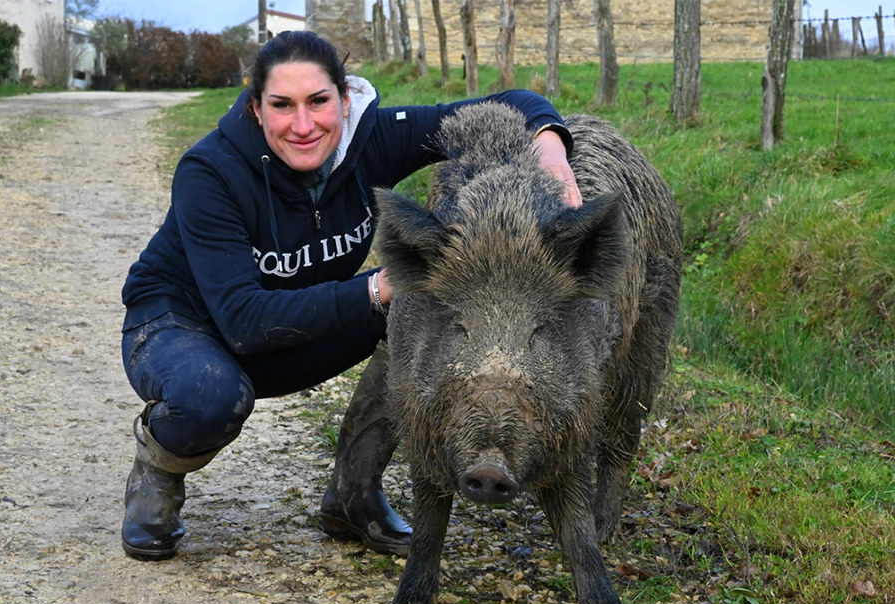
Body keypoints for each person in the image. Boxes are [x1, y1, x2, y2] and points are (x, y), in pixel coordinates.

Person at [119, 30, 582, 561]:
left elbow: (507, 106)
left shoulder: (373, 139)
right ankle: (158, 471)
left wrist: (548, 144)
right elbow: (243, 320)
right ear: (255, 108)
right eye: (281, 105)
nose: (303, 124)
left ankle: (353, 492)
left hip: (290, 329)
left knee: (419, 307)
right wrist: (375, 287)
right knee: (209, 394)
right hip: (184, 326)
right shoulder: (210, 172)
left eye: (319, 101)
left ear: (344, 99)